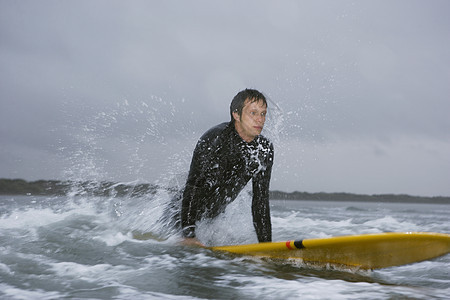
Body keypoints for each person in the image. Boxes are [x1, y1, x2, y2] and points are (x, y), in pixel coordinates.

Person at [180, 88, 274, 246]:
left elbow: (260, 201)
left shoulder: (263, 149)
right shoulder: (215, 140)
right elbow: (194, 186)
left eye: (263, 114)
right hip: (181, 217)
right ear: (236, 115)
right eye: (253, 113)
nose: (260, 120)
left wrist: (266, 246)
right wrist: (188, 234)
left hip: (211, 220)